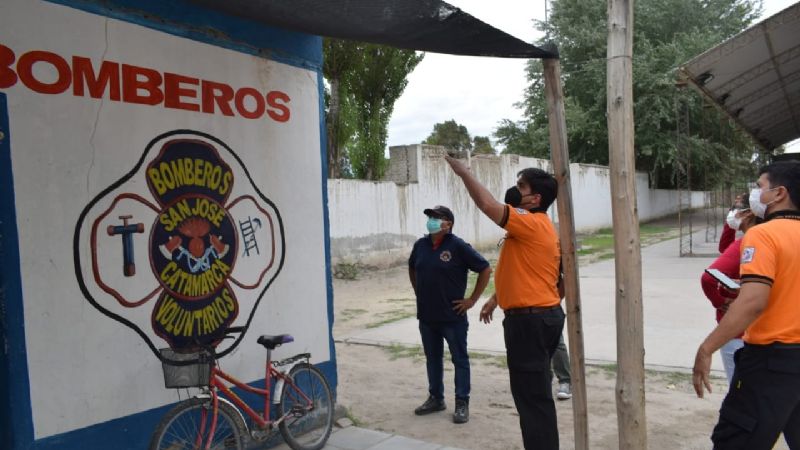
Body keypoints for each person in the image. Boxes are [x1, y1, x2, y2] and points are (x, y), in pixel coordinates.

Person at [445, 156, 563, 449]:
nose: (515, 191)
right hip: (538, 315)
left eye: (520, 187)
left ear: (535, 198)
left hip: (530, 321)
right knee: (534, 396)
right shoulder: (535, 228)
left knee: (533, 400)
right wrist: (498, 298)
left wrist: (465, 173)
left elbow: (487, 206)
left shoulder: (532, 223)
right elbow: (533, 274)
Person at [693, 161, 800, 449]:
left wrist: (706, 348)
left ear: (779, 193)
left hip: (770, 363)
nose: (755, 193)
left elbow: (754, 302)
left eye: (759, 186)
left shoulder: (763, 235)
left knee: (736, 440)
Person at [409, 205, 491, 424]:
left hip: (452, 317)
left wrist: (472, 300)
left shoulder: (457, 246)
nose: (431, 221)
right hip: (427, 316)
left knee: (459, 360)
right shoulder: (421, 245)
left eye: (436, 218)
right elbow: (412, 268)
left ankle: (462, 402)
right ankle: (436, 398)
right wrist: (419, 291)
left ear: (448, 224)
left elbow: (485, 268)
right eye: (430, 217)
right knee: (432, 359)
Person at [700, 199, 759, 384]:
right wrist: (730, 225)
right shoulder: (766, 240)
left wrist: (720, 301)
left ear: (748, 213)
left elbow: (708, 278)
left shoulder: (746, 243)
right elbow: (724, 249)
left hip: (736, 330)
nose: (731, 213)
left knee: (738, 390)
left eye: (735, 209)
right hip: (760, 328)